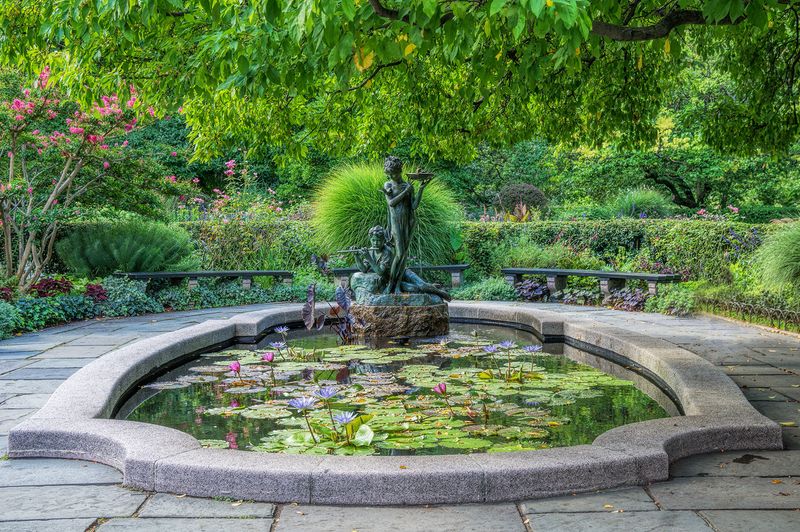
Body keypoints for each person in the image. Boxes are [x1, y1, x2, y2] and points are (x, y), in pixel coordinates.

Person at [350, 226, 451, 303]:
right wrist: (356, 256)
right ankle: (432, 288)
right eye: (373, 240)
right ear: (370, 239)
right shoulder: (371, 251)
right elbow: (363, 269)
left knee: (422, 285)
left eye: (378, 241)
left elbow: (380, 271)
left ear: (383, 240)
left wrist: (368, 258)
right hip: (392, 281)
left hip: (403, 273)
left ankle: (440, 292)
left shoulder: (387, 252)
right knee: (413, 289)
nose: (375, 243)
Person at [382, 156, 431, 294]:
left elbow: (414, 206)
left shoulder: (407, 185)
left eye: (395, 173)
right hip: (396, 221)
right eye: (390, 174)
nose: (392, 176)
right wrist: (406, 192)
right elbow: (391, 203)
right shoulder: (388, 185)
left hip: (409, 221)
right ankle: (390, 284)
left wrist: (420, 189)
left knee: (404, 255)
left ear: (400, 171)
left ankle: (397, 285)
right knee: (399, 253)